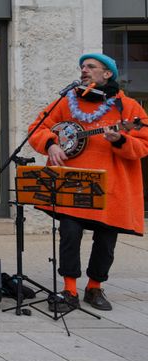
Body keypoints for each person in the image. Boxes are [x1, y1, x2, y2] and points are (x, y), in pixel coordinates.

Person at [29, 53, 148, 312]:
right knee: (69, 233)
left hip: (111, 187)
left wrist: (120, 140)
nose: (84, 70)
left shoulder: (128, 108)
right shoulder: (66, 102)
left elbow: (143, 145)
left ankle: (94, 287)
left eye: (91, 66)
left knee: (106, 240)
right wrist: (51, 145)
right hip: (72, 184)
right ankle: (69, 289)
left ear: (107, 74)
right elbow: (37, 128)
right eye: (82, 66)